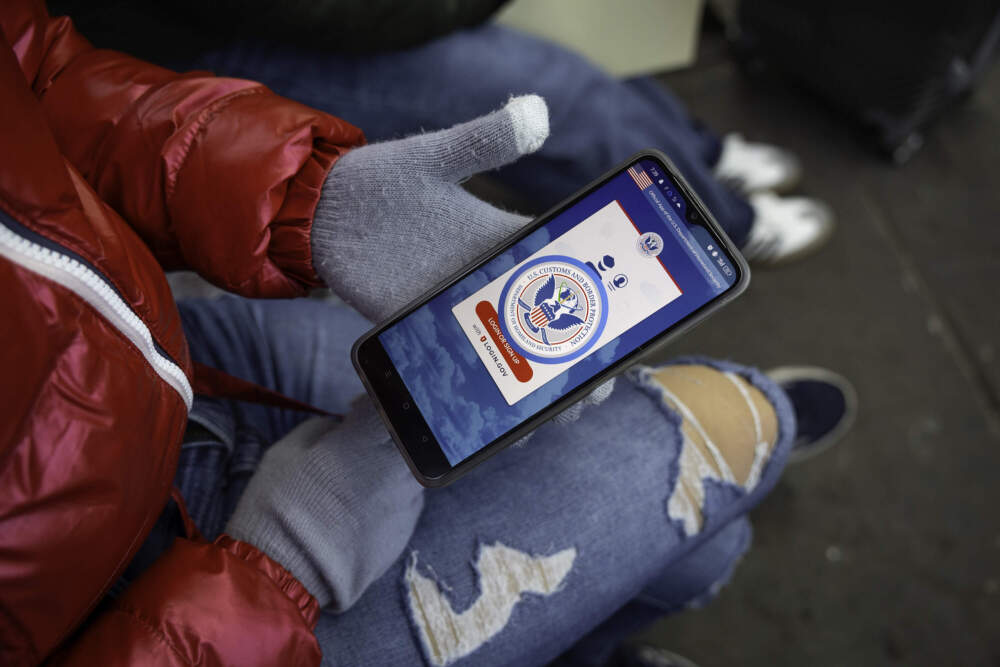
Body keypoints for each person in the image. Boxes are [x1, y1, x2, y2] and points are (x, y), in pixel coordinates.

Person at [0, 2, 853, 665]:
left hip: (173, 361)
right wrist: (278, 563)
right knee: (737, 436)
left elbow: (32, 70)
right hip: (171, 607)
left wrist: (304, 198)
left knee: (681, 536)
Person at [54, 1, 836, 268]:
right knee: (558, 99)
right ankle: (715, 231)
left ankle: (698, 156)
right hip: (197, 39)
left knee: (583, 70)